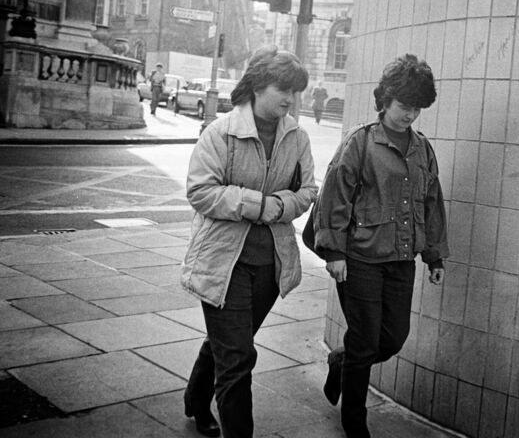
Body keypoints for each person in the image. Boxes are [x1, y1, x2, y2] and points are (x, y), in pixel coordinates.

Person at [180, 46, 317, 438]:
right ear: (257, 85)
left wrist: (281, 205)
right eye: (281, 88)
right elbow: (201, 192)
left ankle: (195, 396)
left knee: (231, 344)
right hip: (224, 261)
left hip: (270, 266)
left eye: (294, 91)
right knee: (239, 355)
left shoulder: (298, 136)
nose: (289, 99)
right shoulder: (221, 133)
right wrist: (257, 205)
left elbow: (308, 191)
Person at [313, 54, 448, 438]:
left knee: (391, 338)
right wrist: (334, 253)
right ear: (385, 99)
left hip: (402, 260)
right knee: (366, 336)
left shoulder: (423, 149)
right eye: (405, 106)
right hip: (360, 260)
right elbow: (334, 198)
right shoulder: (360, 143)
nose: (410, 115)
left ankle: (341, 361)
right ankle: (355, 422)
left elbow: (432, 203)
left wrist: (434, 254)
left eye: (417, 108)